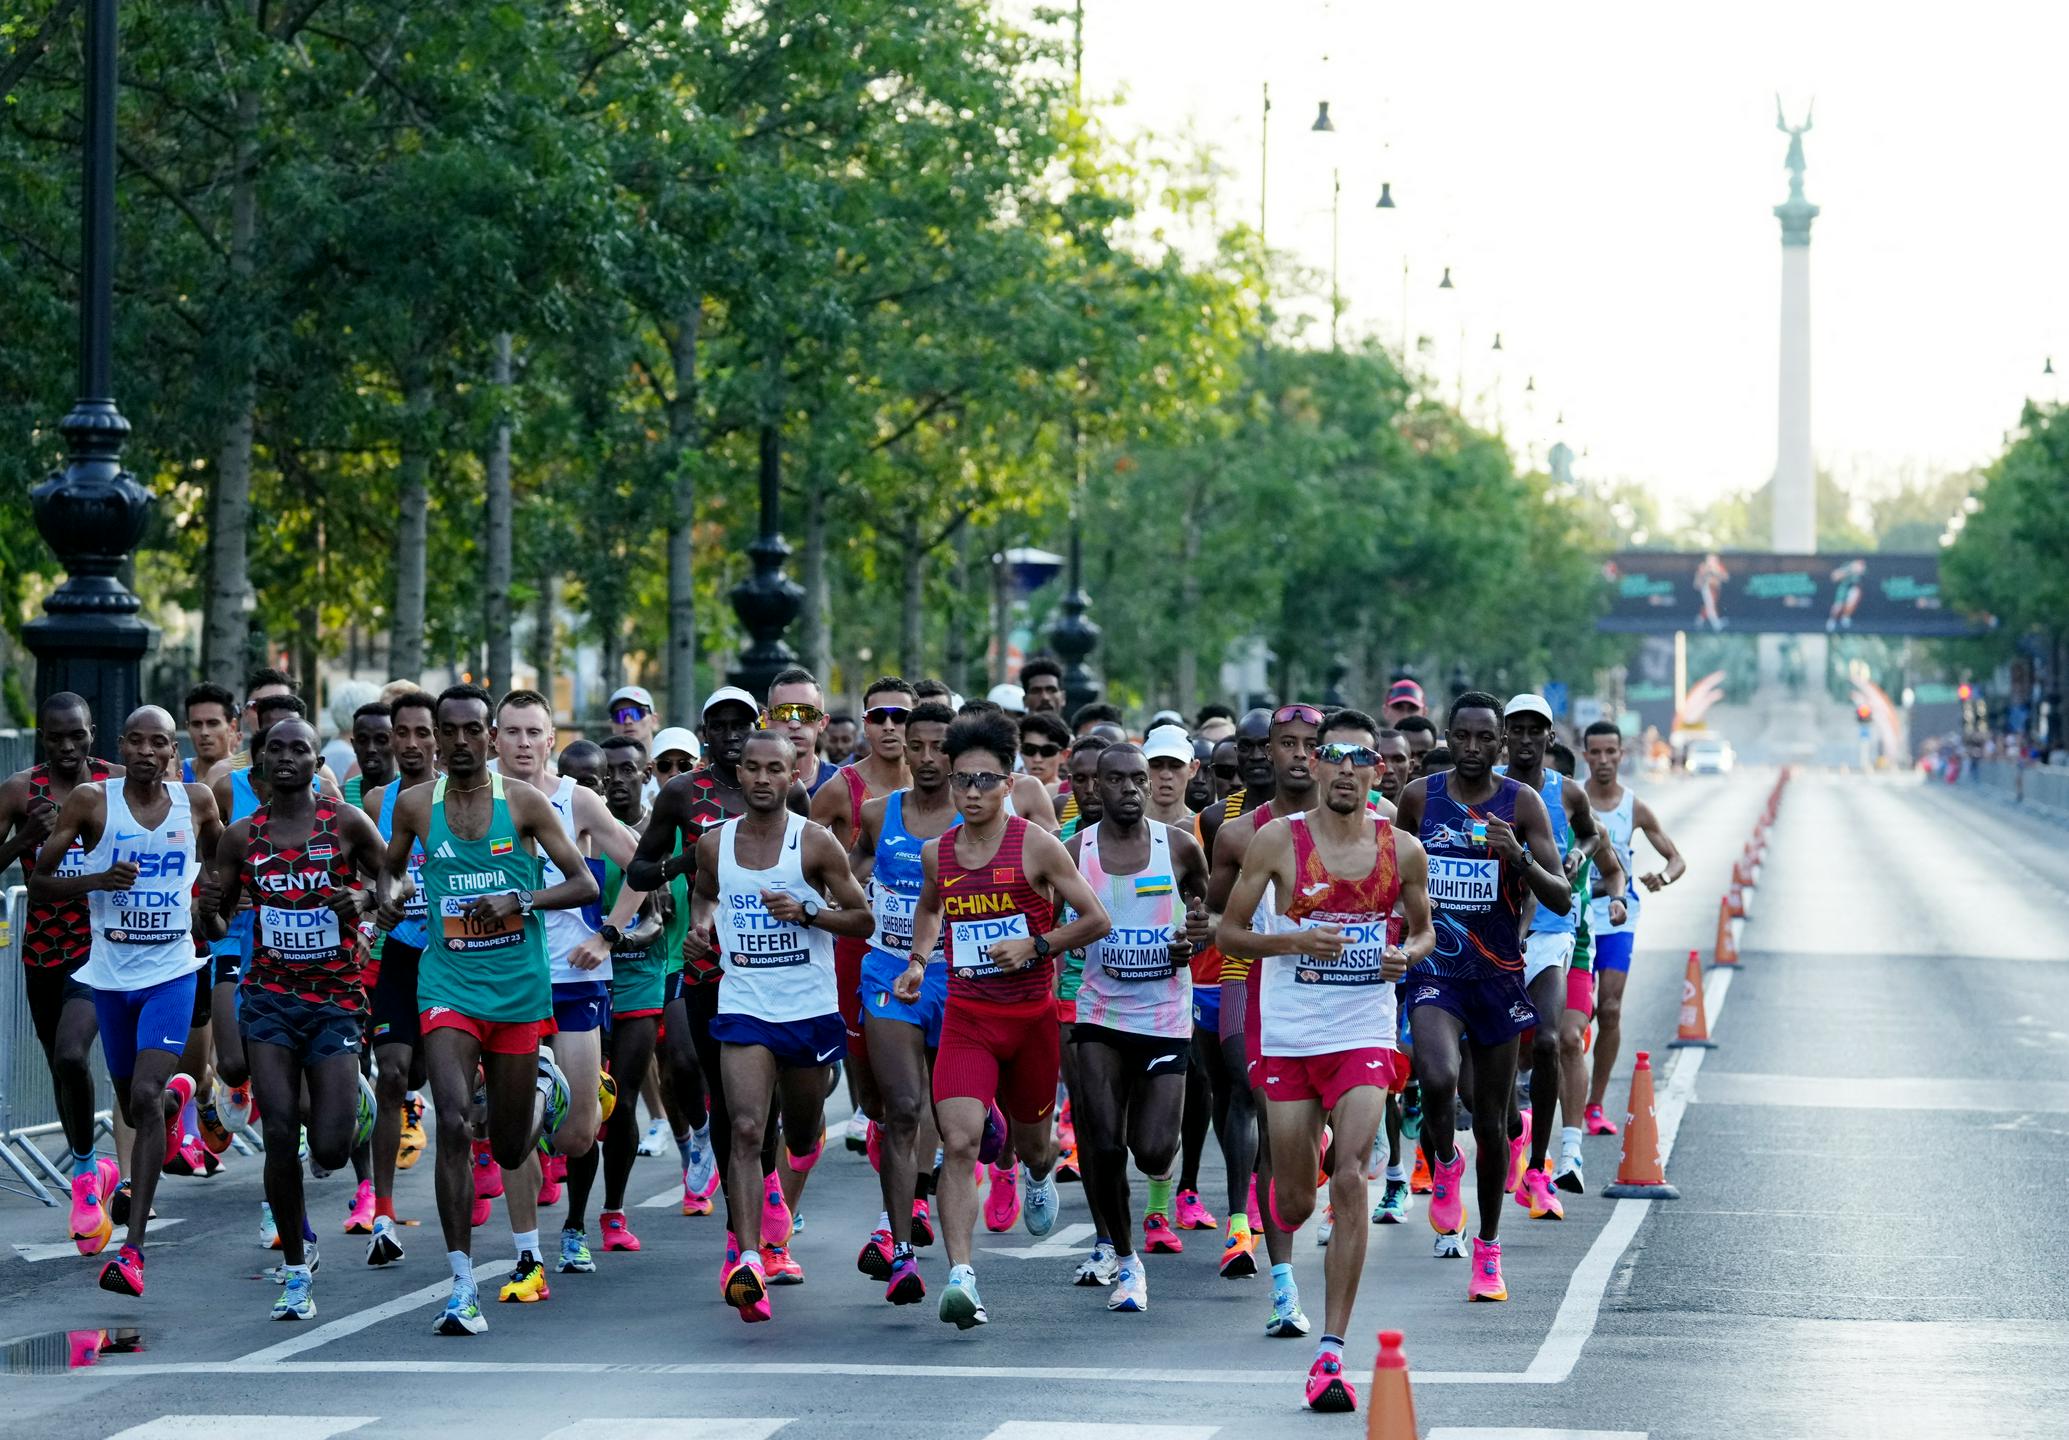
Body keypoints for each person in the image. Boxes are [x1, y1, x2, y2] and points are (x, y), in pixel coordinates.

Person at [1219, 708, 1434, 1413]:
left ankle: (1331, 1354)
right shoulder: (1277, 841)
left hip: (1362, 1030)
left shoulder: (1401, 849)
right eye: (1331, 756)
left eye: (1358, 758)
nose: (1344, 768)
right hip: (1286, 1033)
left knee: (1349, 1174)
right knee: (1292, 1199)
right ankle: (1296, 1179)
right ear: (1313, 765)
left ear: (1376, 770)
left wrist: (1407, 956)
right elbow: (1228, 930)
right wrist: (1292, 945)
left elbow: (1425, 931)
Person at [373, 684, 598, 1336]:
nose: (466, 741)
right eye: (455, 731)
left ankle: (540, 1090)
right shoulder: (415, 806)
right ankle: (462, 1285)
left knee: (504, 1143)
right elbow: (388, 873)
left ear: (491, 736)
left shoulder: (524, 802)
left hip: (519, 991)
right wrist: (388, 898)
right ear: (439, 739)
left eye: (477, 729)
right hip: (447, 986)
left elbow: (582, 881)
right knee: (451, 1122)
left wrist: (519, 902)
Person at [898, 711, 1112, 1329]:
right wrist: (917, 961)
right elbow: (931, 912)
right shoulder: (939, 852)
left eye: (985, 780)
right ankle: (962, 1275)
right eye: (962, 780)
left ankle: (1036, 1172)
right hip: (968, 1017)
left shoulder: (1036, 844)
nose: (970, 793)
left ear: (1009, 781)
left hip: (1031, 1018)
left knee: (1033, 1144)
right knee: (959, 1143)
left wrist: (1038, 946)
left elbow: (1095, 919)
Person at [29, 706, 225, 1298]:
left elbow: (220, 860)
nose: (146, 750)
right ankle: (176, 1097)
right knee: (138, 1104)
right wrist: (95, 881)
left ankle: (133, 1249)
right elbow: (39, 881)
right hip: (110, 974)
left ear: (172, 751)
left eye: (158, 742)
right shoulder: (92, 801)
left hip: (171, 969)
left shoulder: (196, 803)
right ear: (120, 745)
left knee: (140, 1098)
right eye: (136, 740)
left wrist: (213, 904)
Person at [197, 717, 387, 1320]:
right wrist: (207, 914)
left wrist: (362, 900)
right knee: (279, 1132)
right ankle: (296, 1268)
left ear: (314, 761)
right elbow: (218, 925)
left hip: (333, 1000)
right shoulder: (240, 835)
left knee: (328, 1149)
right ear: (257, 764)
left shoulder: (345, 822)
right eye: (274, 749)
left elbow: (397, 881)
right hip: (270, 997)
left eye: (298, 748)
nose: (286, 758)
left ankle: (354, 1098)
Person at [688, 731, 874, 1322]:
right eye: (752, 768)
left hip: (809, 1010)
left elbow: (863, 920)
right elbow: (704, 895)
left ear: (793, 775)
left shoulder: (813, 843)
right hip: (744, 1003)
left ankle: (786, 1182)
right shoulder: (714, 845)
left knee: (799, 1132)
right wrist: (701, 926)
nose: (763, 779)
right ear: (737, 775)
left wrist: (809, 911)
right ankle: (747, 1259)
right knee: (744, 1128)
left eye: (775, 769)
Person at [1393, 691, 1570, 1302]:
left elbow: (1562, 898)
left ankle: (1488, 1253)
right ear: (1448, 736)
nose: (1472, 748)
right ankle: (1444, 1160)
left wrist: (1516, 857)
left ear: (1499, 745)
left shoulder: (1521, 803)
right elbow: (1388, 872)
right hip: (1436, 970)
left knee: (1493, 1124)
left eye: (1483, 738)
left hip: (1497, 976)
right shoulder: (1420, 797)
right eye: (1461, 736)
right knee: (1438, 1079)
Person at [615, 688, 800, 1255]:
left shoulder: (785, 788)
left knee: (775, 1103)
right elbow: (641, 870)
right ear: (704, 732)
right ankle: (738, 1229)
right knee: (726, 1096)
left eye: (740, 723)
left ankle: (769, 1179)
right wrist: (686, 861)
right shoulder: (680, 793)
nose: (731, 734)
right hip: (708, 965)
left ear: (758, 724)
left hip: (776, 964)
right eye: (718, 726)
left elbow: (815, 868)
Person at [487, 690, 642, 1279]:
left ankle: (574, 1221)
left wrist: (607, 935)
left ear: (551, 739)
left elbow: (640, 864)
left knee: (578, 1133)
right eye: (513, 732)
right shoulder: (477, 802)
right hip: (502, 979)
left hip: (574, 975)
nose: (523, 743)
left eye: (534, 732)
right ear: (494, 738)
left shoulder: (575, 799)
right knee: (511, 1125)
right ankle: (530, 1249)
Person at [1067, 743, 1211, 1313]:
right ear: (1096, 788)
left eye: (1138, 779)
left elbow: (1203, 910)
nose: (1129, 789)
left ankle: (1154, 1190)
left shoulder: (1176, 846)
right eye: (1116, 780)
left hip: (1164, 1016)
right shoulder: (1074, 850)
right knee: (1103, 1143)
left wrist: (1195, 934)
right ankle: (1126, 1260)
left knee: (1152, 1151)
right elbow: (1048, 914)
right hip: (1099, 1012)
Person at [1205, 702, 1325, 1332]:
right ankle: (1284, 1288)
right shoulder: (1235, 834)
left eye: (1313, 744)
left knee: (1322, 1144)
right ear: (1268, 752)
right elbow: (1221, 924)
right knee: (1271, 1125)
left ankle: (1319, 1142)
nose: (1300, 755)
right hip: (1259, 991)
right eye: (1288, 744)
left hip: (1343, 1003)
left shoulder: (1374, 825)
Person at [0, 693, 121, 1252]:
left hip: (105, 945)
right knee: (60, 1065)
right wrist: (24, 840)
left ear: (92, 732)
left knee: (74, 1052)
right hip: (45, 949)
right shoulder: (21, 791)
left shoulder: (116, 783)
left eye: (77, 735)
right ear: (41, 738)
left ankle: (86, 1181)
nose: (68, 747)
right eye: (56, 738)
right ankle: (87, 1169)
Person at [1497, 696, 1623, 1223]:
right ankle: (1514, 1130)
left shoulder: (1565, 790)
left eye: (1536, 732)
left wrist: (1578, 854)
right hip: (1492, 931)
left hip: (1551, 931)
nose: (1526, 740)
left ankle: (1540, 1169)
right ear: (1506, 735)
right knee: (1497, 1060)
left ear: (1549, 739)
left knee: (1550, 1040)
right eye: (1518, 730)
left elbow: (1593, 832)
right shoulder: (1488, 785)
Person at [849, 700, 959, 1303]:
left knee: (953, 1116)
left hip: (962, 978)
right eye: (914, 746)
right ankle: (903, 1253)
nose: (924, 758)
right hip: (890, 973)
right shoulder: (876, 814)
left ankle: (983, 1129)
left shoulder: (981, 819)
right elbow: (846, 873)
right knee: (903, 1109)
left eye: (938, 747)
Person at [574, 735, 672, 1262]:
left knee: (623, 1099)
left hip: (636, 980)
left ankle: (613, 1212)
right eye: (605, 772)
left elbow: (658, 918)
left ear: (643, 774)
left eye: (625, 770)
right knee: (584, 1103)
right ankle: (572, 1219)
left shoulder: (644, 839)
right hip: (583, 983)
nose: (615, 779)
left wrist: (615, 941)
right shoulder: (568, 832)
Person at [809, 677, 917, 1132]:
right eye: (879, 717)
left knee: (922, 1079)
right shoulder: (840, 789)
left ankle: (920, 1172)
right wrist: (835, 890)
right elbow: (801, 860)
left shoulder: (942, 785)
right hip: (864, 943)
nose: (890, 727)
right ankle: (878, 1127)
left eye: (902, 717)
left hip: (936, 945)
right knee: (873, 1094)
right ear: (865, 726)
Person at [1580, 721, 1686, 1140]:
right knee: (1575, 1012)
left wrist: (1664, 877)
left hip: (1619, 915)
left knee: (1608, 1009)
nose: (1604, 760)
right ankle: (1563, 1062)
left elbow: (1676, 858)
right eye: (1596, 752)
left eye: (1611, 752)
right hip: (1575, 914)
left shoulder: (1633, 807)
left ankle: (1594, 1104)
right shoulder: (1573, 800)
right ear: (1585, 755)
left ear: (1622, 755)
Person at [363, 689, 440, 1265]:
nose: (411, 744)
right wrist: (376, 901)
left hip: (460, 955)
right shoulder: (376, 799)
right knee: (392, 1073)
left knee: (449, 1086)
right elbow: (376, 880)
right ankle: (383, 1213)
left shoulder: (467, 798)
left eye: (422, 732)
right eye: (402, 733)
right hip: (401, 951)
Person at [767, 666, 839, 794]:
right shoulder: (748, 784)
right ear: (766, 720)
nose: (794, 724)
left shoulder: (842, 783)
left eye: (806, 713)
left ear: (823, 723)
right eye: (784, 712)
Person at [182, 683, 238, 783]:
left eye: (213, 723)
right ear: (188, 728)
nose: (204, 732)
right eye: (196, 724)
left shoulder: (248, 777)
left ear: (232, 727)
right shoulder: (175, 775)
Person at [1017, 711, 1070, 789]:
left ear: (1064, 755)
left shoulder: (1073, 798)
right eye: (1029, 749)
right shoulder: (1006, 796)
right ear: (1020, 751)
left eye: (1048, 751)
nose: (1037, 759)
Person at [1375, 729, 1412, 805]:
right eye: (1379, 759)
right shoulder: (1350, 812)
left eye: (1398, 760)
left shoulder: (1425, 811)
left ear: (1411, 766)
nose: (1388, 770)